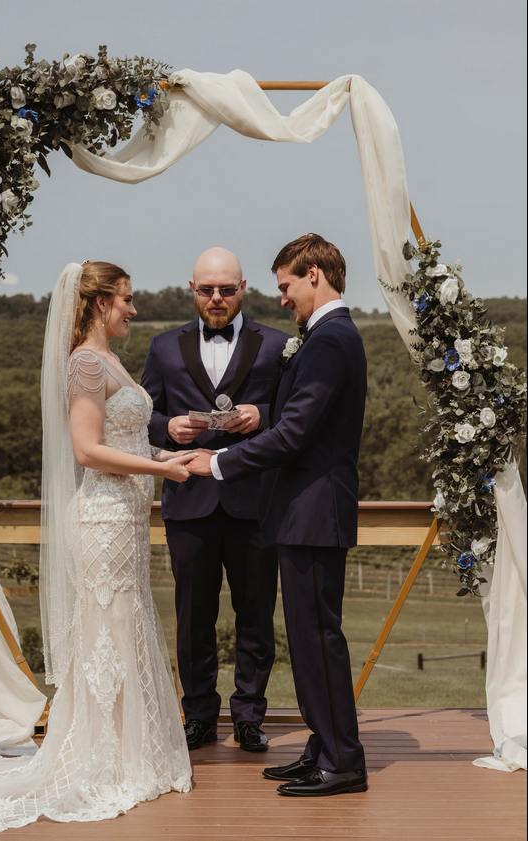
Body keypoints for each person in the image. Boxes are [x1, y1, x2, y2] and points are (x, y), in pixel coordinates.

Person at [0, 261, 193, 837]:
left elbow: (127, 437)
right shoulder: (87, 363)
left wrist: (166, 458)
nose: (133, 310)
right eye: (126, 300)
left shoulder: (109, 360)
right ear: (98, 304)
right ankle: (106, 755)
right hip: (103, 519)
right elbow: (88, 449)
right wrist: (160, 472)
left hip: (127, 521)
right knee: (108, 629)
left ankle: (128, 751)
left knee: (127, 625)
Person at [187, 234, 368, 798]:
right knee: (310, 638)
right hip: (302, 512)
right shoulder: (323, 337)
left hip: (315, 511)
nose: (283, 298)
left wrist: (218, 462)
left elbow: (293, 433)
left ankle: (343, 761)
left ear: (314, 275)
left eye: (286, 285)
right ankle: (321, 747)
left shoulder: (332, 339)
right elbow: (292, 419)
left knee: (318, 638)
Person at [141, 248, 288, 752]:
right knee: (193, 618)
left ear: (243, 287)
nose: (217, 298)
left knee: (255, 615)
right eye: (208, 290)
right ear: (192, 289)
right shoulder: (163, 347)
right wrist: (167, 426)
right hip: (189, 501)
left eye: (227, 289)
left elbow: (300, 413)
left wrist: (263, 413)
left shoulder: (278, 345)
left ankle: (249, 716)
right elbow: (141, 415)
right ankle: (199, 715)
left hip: (257, 503)